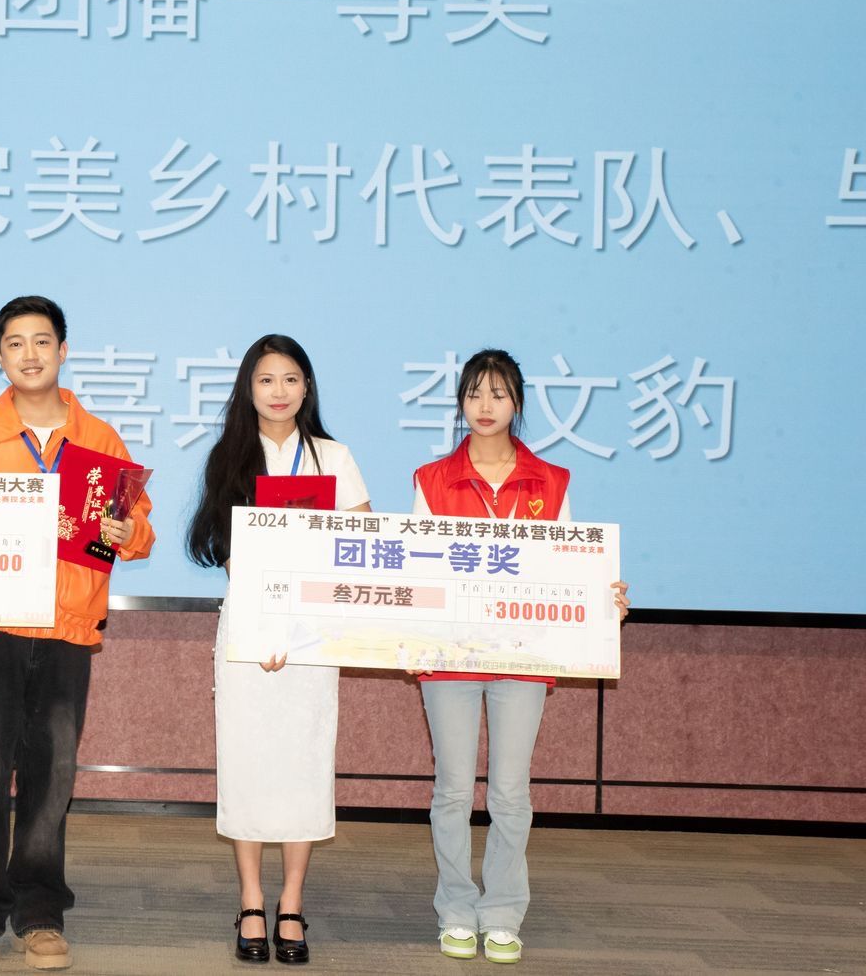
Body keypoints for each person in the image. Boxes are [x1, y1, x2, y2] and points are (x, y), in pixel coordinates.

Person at [0, 295, 154, 972]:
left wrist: (125, 530)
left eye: (42, 341)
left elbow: (138, 531)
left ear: (63, 350)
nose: (30, 354)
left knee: (52, 775)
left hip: (66, 627)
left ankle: (39, 912)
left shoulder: (100, 440)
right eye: (15, 343)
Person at [409, 348, 630, 965]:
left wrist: (602, 600)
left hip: (524, 656)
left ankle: (503, 912)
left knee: (509, 792)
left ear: (518, 403)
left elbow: (570, 567)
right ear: (460, 401)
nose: (485, 406)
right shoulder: (431, 479)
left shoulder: (551, 480)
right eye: (474, 393)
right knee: (453, 790)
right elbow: (416, 567)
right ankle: (456, 909)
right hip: (451, 656)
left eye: (498, 393)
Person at [186, 334, 372, 966]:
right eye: (266, 379)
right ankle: (251, 899)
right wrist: (265, 628)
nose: (279, 391)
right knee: (248, 763)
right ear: (249, 388)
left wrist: (297, 626)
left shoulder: (333, 457)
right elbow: (230, 553)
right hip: (249, 629)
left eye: (291, 379)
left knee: (302, 763)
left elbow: (360, 540)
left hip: (313, 634)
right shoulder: (230, 457)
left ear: (307, 387)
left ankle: (292, 900)